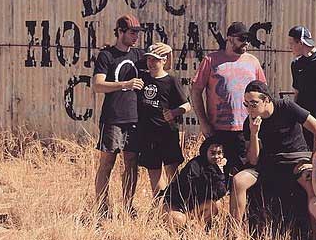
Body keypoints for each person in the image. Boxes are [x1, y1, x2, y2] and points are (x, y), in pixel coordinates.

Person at [92, 14, 172, 217]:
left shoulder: (138, 55)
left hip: (136, 119)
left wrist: (168, 51)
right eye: (132, 32)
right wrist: (125, 85)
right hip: (113, 118)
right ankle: (102, 207)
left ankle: (128, 206)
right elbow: (97, 85)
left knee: (131, 164)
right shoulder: (107, 56)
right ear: (120, 32)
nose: (136, 36)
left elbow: (164, 68)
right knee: (106, 164)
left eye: (138, 33)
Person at [230, 80, 316, 228]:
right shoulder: (250, 121)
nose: (249, 109)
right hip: (269, 162)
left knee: (311, 184)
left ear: (266, 100)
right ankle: (234, 236)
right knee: (238, 181)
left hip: (296, 158)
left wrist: (314, 161)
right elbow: (253, 160)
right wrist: (254, 134)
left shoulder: (286, 107)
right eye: (246, 104)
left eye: (253, 103)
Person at [191, 22, 266, 173]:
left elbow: (264, 94)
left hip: (246, 130)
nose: (246, 42)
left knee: (243, 174)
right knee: (215, 174)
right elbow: (195, 90)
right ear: (229, 39)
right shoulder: (211, 60)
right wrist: (203, 122)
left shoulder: (253, 62)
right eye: (242, 38)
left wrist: (260, 122)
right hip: (218, 129)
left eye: (248, 39)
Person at [137, 44, 191, 195]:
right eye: (149, 59)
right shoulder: (143, 78)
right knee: (154, 173)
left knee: (172, 173)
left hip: (167, 134)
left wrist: (174, 112)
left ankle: (174, 204)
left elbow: (187, 105)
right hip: (148, 135)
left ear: (163, 61)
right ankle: (158, 208)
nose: (151, 63)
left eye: (155, 60)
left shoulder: (171, 80)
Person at [159, 138, 228, 228]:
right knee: (179, 220)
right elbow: (195, 190)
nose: (216, 157)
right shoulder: (195, 166)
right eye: (213, 153)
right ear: (205, 152)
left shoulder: (218, 167)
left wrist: (220, 173)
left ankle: (196, 228)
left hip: (194, 206)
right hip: (176, 203)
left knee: (216, 205)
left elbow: (221, 193)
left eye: (219, 153)